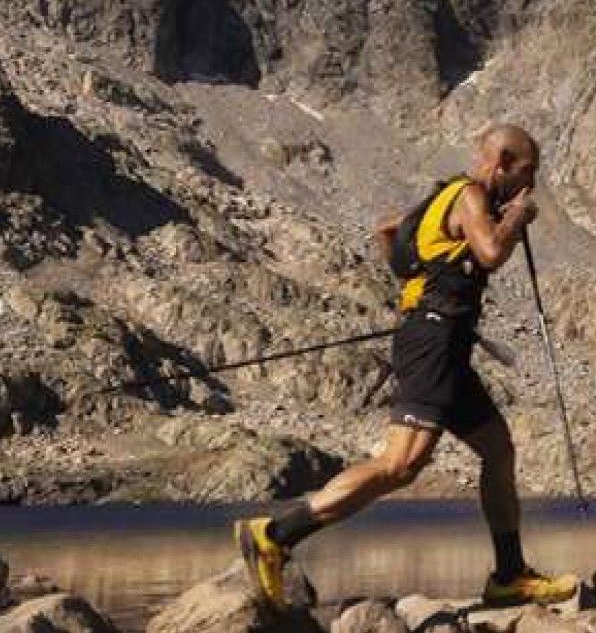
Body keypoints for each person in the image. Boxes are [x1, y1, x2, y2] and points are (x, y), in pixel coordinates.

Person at [233, 124, 578, 609]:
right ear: (501, 160)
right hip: (434, 343)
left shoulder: (437, 202)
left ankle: (508, 574)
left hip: (444, 345)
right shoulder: (471, 196)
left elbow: (389, 232)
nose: (529, 186)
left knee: (497, 451)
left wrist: (418, 286)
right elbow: (492, 252)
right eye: (526, 173)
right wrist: (516, 218)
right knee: (400, 466)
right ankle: (273, 533)